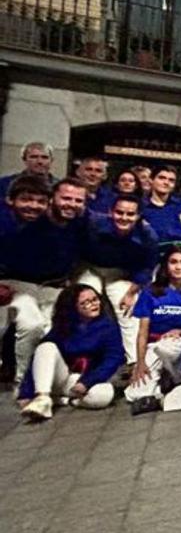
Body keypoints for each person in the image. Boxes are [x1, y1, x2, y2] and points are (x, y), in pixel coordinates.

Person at [0, 177, 88, 384]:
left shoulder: (71, 224)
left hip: (48, 285)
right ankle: (23, 381)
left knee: (57, 325)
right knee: (31, 325)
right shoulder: (7, 223)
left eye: (39, 201)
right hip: (12, 283)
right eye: (26, 200)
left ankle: (39, 380)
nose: (33, 206)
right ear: (10, 200)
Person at [125, 247, 181, 413]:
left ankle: (176, 379)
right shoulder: (150, 292)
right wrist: (140, 362)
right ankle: (163, 389)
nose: (178, 267)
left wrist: (178, 331)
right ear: (165, 266)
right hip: (155, 345)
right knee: (135, 394)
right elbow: (143, 332)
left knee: (167, 347)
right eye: (173, 262)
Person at [17, 284, 123, 420]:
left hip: (85, 379)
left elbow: (112, 359)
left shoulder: (108, 326)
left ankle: (62, 401)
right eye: (85, 303)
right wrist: (25, 393)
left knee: (104, 395)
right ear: (74, 307)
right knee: (46, 347)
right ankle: (43, 398)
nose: (93, 304)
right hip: (60, 376)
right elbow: (39, 360)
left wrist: (87, 382)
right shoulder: (63, 327)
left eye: (95, 299)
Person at [78, 194, 159, 362]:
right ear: (110, 212)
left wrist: (131, 293)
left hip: (120, 274)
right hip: (89, 268)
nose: (124, 218)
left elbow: (147, 268)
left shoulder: (147, 236)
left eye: (130, 214)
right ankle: (78, 356)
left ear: (138, 216)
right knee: (84, 300)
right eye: (119, 212)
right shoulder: (93, 224)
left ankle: (134, 362)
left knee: (128, 309)